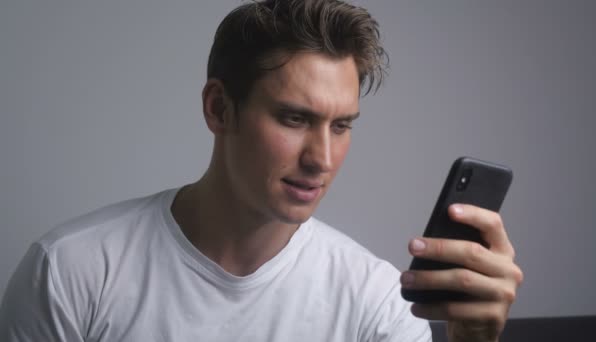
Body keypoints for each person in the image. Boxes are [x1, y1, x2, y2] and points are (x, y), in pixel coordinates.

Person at [0, 0, 523, 341]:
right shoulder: (69, 274)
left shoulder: (375, 301)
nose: (321, 158)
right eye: (295, 118)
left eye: (342, 126)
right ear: (219, 108)